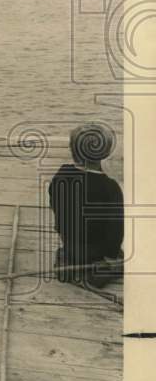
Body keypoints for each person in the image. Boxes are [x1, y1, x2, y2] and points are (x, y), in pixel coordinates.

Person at [48, 123, 124, 289]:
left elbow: (54, 203)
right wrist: (111, 257)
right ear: (105, 152)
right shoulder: (110, 187)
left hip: (71, 243)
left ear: (72, 150)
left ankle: (67, 261)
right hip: (97, 251)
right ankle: (99, 272)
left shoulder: (62, 174)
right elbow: (115, 229)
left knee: (71, 251)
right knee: (121, 258)